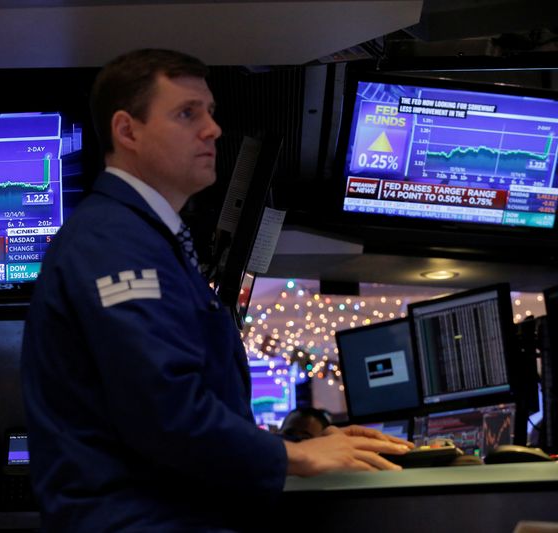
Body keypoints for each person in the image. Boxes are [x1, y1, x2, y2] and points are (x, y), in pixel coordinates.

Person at [20, 48, 413, 532]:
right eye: (187, 113)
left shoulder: (146, 235)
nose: (212, 129)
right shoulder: (114, 241)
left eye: (210, 112)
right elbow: (163, 409)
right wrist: (296, 456)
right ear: (127, 131)